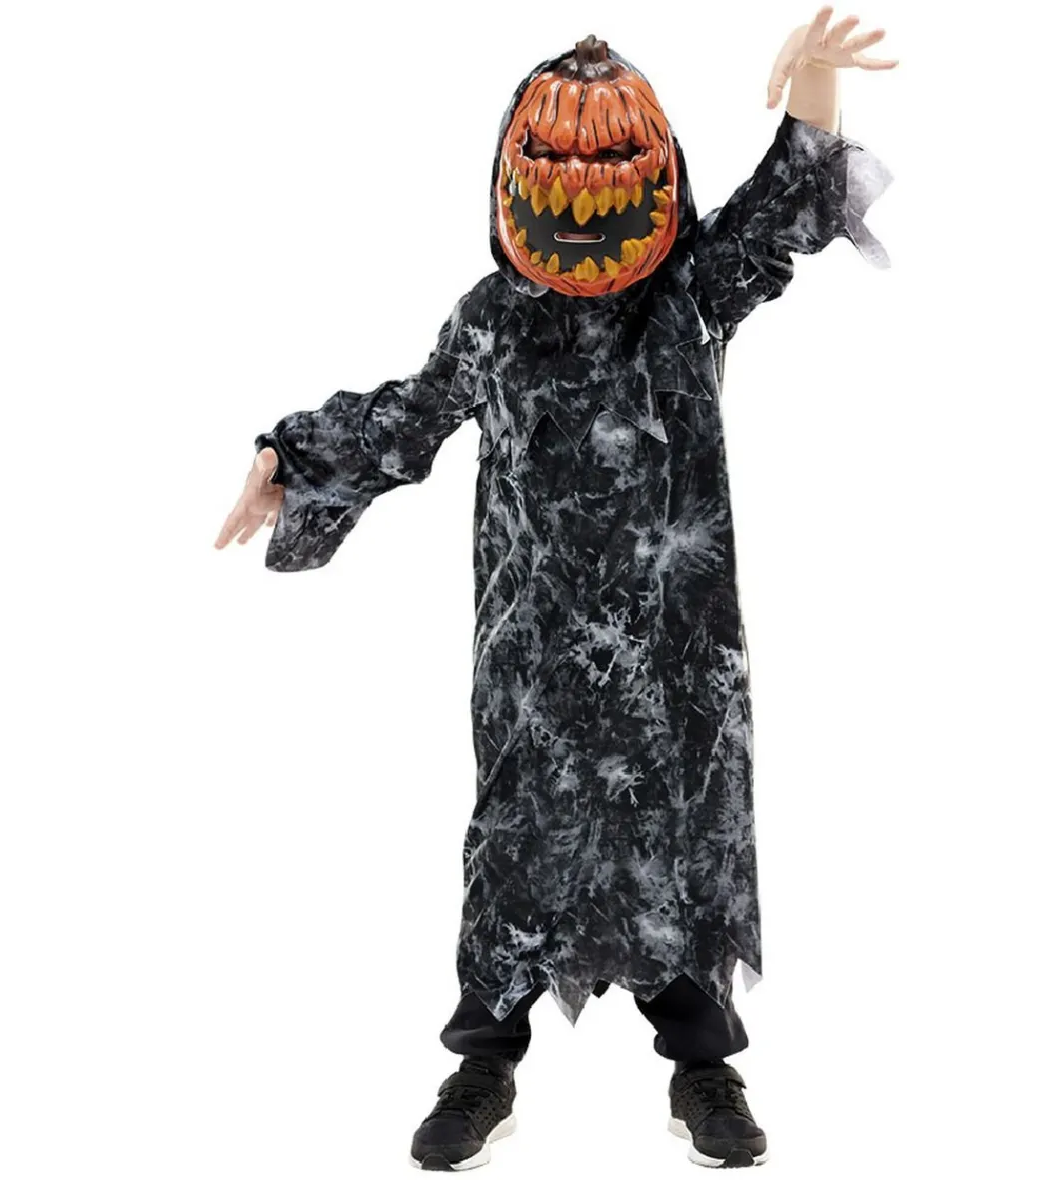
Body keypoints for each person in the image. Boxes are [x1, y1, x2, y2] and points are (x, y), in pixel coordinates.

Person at [217, 10, 895, 1170]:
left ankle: (702, 1063)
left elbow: (780, 215)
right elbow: (408, 419)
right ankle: (485, 1060)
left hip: (675, 653)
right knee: (515, 840)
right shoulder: (492, 323)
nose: (585, 199)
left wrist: (816, 86)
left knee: (682, 832)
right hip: (534, 658)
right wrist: (292, 454)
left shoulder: (687, 300)